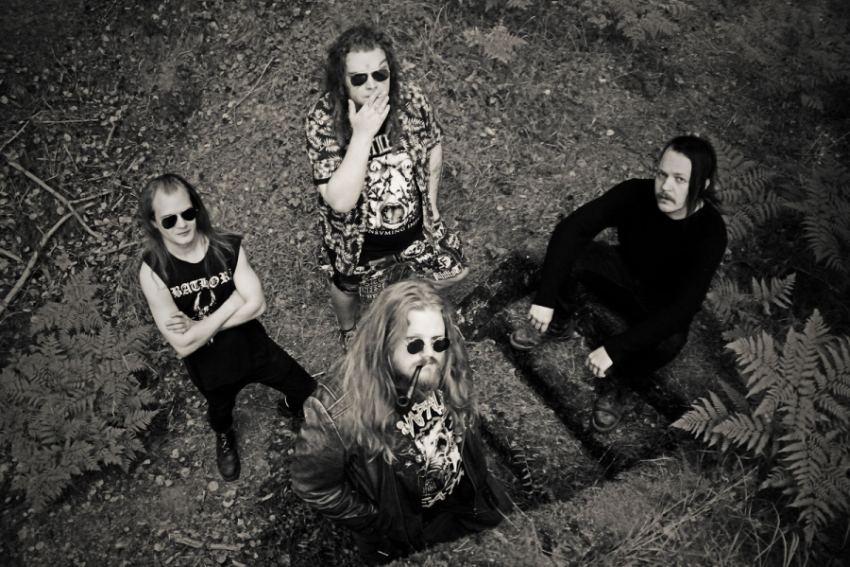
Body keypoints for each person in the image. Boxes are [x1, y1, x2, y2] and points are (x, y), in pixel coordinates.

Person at [510, 135, 728, 433]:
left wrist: (614, 349)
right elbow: (572, 228)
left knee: (671, 341)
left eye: (680, 179)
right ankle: (559, 321)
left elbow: (684, 308)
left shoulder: (710, 232)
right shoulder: (635, 193)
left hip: (659, 304)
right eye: (662, 174)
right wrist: (545, 298)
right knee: (576, 253)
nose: (665, 187)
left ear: (702, 185)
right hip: (622, 273)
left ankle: (621, 383)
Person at [291, 280, 509, 565]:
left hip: (467, 497)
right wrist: (377, 520)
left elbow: (463, 411)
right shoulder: (336, 410)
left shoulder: (446, 357)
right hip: (409, 526)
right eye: (414, 343)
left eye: (438, 342)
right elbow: (312, 486)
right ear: (384, 341)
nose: (429, 355)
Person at [138, 173, 316, 481]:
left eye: (188, 213)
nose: (182, 224)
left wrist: (199, 326)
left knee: (306, 389)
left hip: (253, 348)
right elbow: (183, 344)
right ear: (154, 223)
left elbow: (257, 305)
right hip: (210, 367)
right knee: (220, 413)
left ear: (197, 209)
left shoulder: (227, 247)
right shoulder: (154, 271)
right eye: (169, 220)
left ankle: (291, 407)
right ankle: (224, 436)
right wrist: (233, 303)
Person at [305, 24, 467, 349]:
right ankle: (349, 329)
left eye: (381, 73)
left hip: (416, 227)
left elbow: (433, 145)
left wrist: (432, 202)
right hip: (357, 240)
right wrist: (363, 134)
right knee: (346, 286)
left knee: (456, 271)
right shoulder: (323, 119)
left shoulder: (410, 99)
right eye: (359, 78)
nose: (373, 84)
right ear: (341, 81)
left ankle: (403, 299)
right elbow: (339, 200)